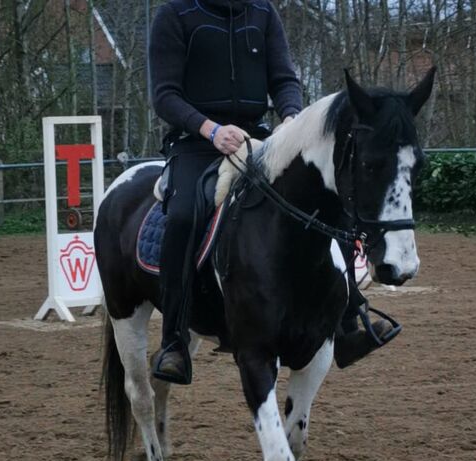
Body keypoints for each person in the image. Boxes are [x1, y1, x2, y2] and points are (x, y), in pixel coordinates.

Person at [149, 0, 392, 384]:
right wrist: (211, 129)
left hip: (260, 136)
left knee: (326, 198)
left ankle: (348, 319)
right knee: (183, 216)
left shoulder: (263, 13)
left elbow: (283, 79)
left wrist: (292, 116)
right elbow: (165, 95)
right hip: (196, 142)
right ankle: (174, 341)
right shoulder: (174, 15)